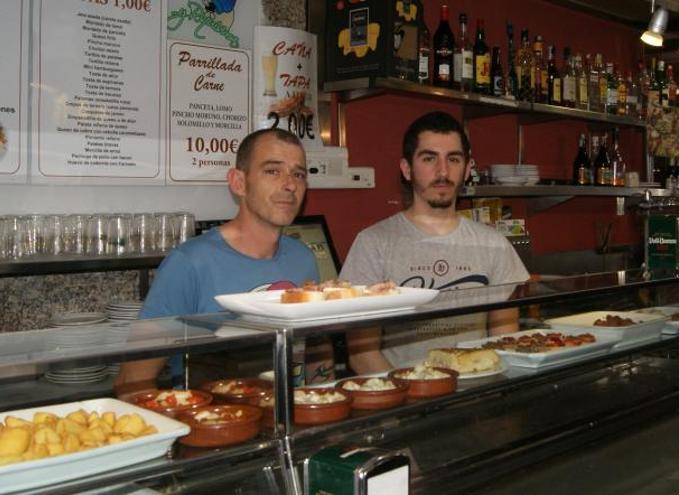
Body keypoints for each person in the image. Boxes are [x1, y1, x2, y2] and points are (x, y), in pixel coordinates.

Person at [115, 128, 334, 395]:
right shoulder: (189, 263)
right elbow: (132, 381)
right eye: (273, 171)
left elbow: (316, 349)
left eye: (298, 174)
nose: (290, 184)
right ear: (238, 182)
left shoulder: (303, 257)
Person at [340, 111, 529, 373]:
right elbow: (362, 354)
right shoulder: (373, 244)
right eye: (429, 158)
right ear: (407, 169)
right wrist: (406, 395)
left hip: (475, 392)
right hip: (403, 398)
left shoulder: (495, 245)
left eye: (453, 159)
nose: (442, 171)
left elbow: (504, 340)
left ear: (467, 168)